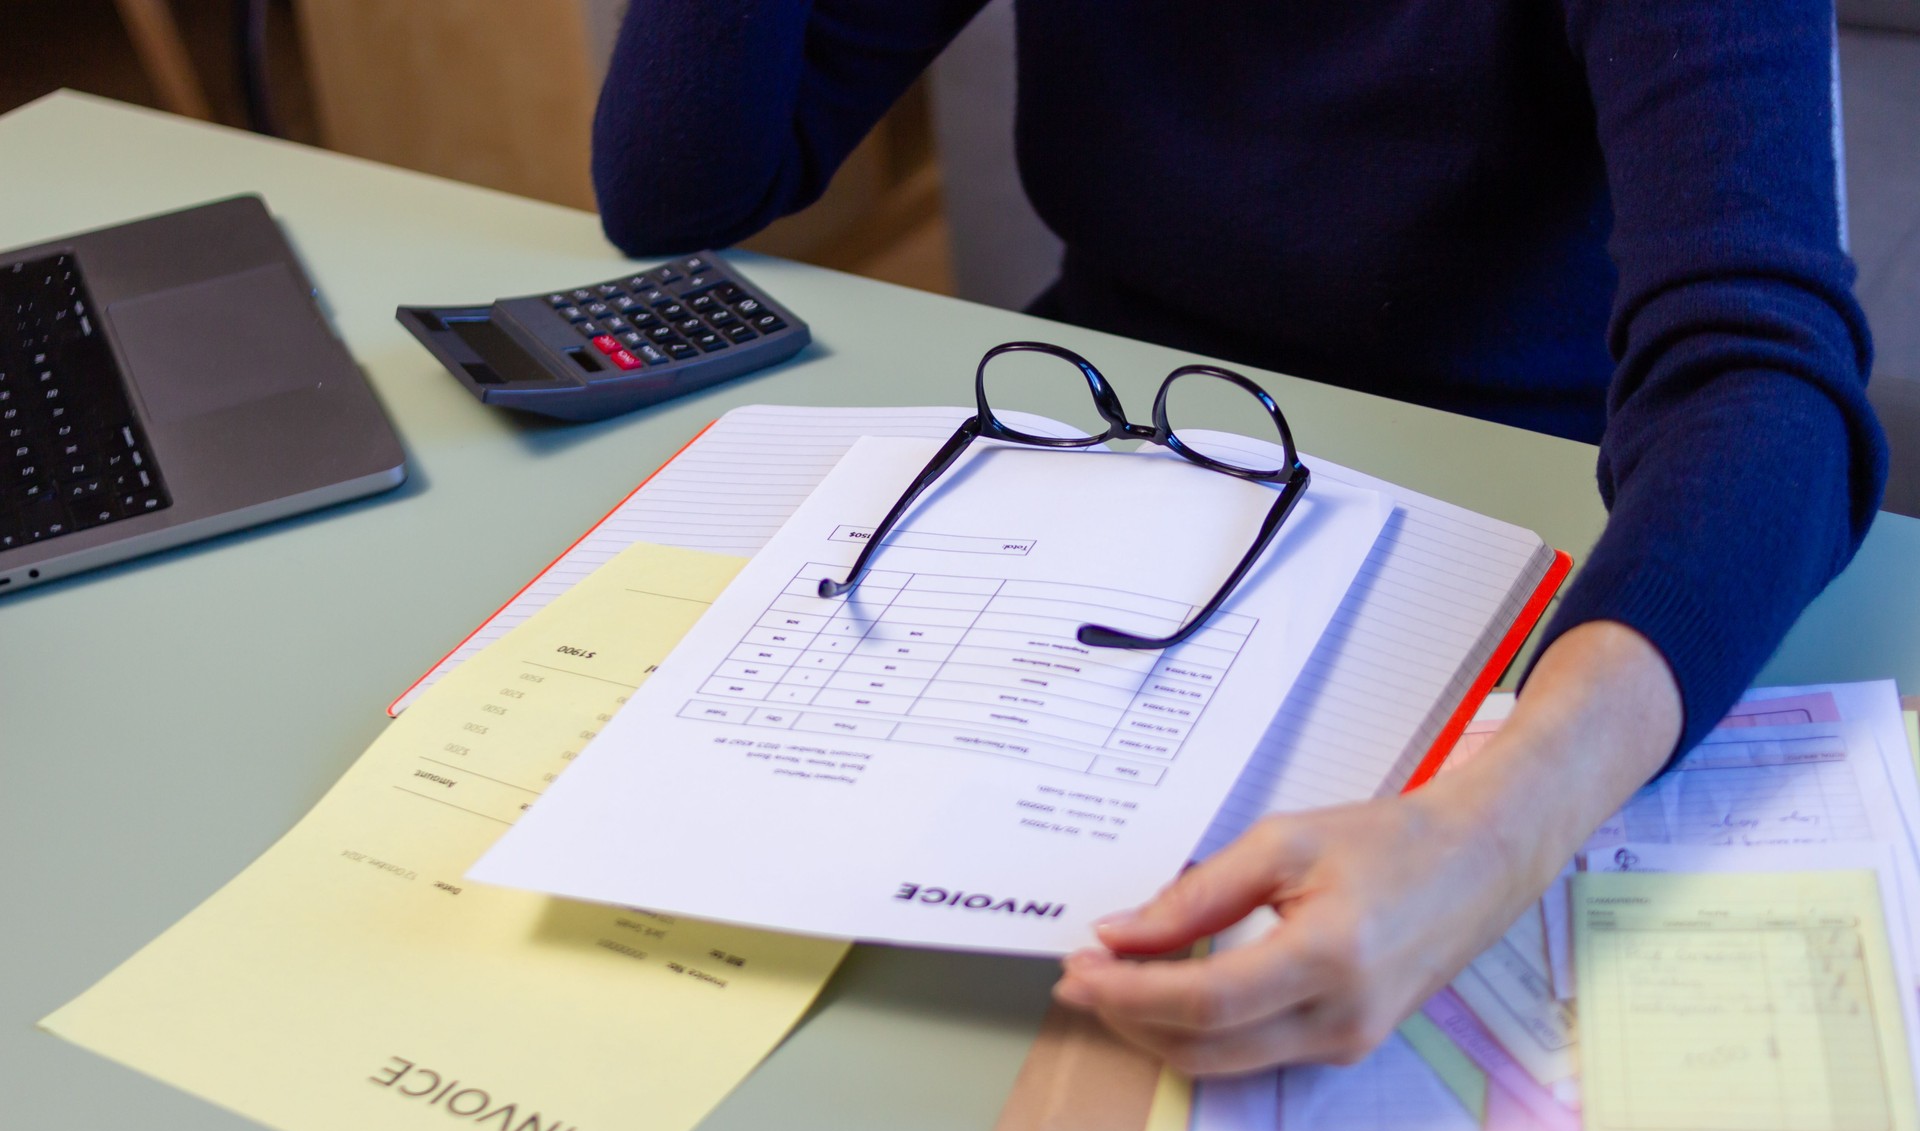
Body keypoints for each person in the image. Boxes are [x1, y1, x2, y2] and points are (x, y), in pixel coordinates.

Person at [591, 1, 1887, 1074]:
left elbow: (1769, 384)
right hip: (1111, 464)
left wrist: (1502, 829)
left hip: (1520, 507)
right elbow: (683, 179)